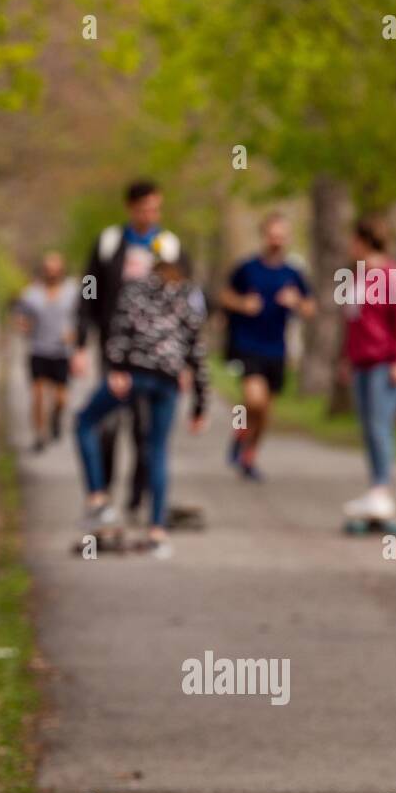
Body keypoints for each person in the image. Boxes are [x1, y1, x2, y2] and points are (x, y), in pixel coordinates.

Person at [75, 233, 207, 558]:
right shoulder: (189, 294)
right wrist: (200, 402)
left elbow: (120, 329)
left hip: (134, 373)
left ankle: (98, 498)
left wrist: (116, 368)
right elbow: (197, 349)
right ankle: (157, 532)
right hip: (167, 381)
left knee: (84, 422)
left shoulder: (135, 288)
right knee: (158, 450)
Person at [72, 180, 174, 517]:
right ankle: (102, 496)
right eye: (145, 207)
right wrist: (81, 341)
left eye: (156, 208)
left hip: (155, 357)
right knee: (109, 423)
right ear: (130, 207)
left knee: (144, 429)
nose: (151, 214)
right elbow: (89, 292)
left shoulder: (168, 247)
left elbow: (186, 298)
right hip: (113, 352)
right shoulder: (109, 243)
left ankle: (136, 498)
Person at [219, 212, 315, 480]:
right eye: (273, 235)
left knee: (265, 411)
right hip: (248, 344)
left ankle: (249, 454)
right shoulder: (247, 268)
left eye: (281, 236)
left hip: (277, 348)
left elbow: (310, 309)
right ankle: (240, 433)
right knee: (253, 400)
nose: (277, 240)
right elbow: (225, 296)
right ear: (264, 235)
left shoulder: (293, 273)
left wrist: (296, 301)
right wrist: (242, 304)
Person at [340, 215, 396, 521]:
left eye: (352, 240)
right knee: (369, 428)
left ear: (363, 242)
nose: (350, 246)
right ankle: (375, 489)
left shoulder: (392, 275)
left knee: (379, 426)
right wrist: (348, 357)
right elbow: (355, 322)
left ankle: (382, 491)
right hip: (362, 362)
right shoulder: (358, 276)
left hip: (385, 363)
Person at [14, 251, 77, 451]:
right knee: (38, 394)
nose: (52, 273)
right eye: (48, 269)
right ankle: (40, 434)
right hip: (38, 349)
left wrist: (75, 334)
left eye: (55, 269)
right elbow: (20, 315)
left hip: (61, 351)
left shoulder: (73, 292)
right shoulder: (31, 293)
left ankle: (56, 418)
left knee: (61, 399)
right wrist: (24, 325)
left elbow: (83, 316)